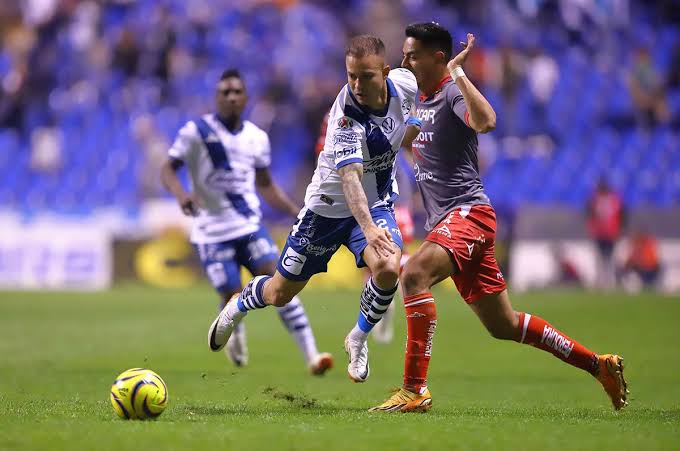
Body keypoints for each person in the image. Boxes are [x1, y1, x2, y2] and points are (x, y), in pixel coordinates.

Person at [370, 23, 628, 413]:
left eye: (412, 54)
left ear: (437, 58)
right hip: (448, 222)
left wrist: (459, 73)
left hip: (468, 214)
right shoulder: (417, 101)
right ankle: (598, 365)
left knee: (414, 275)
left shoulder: (452, 92)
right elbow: (405, 140)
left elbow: (487, 121)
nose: (404, 60)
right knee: (503, 326)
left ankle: (414, 389)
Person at [207, 35, 420, 383]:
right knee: (279, 293)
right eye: (351, 75)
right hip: (327, 210)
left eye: (366, 76)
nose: (357, 84)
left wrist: (414, 131)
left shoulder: (406, 83)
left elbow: (410, 117)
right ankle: (240, 303)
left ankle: (358, 338)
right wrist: (368, 228)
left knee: (386, 268)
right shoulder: (346, 116)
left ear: (385, 72)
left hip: (377, 201)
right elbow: (350, 180)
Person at [161, 69, 333, 375]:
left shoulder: (257, 138)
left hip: (248, 226)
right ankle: (234, 331)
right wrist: (181, 195)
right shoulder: (195, 132)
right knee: (230, 294)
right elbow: (168, 169)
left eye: (236, 92)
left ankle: (312, 355)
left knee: (281, 280)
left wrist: (298, 212)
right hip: (211, 232)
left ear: (245, 98)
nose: (231, 97)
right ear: (216, 97)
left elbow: (266, 184)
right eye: (224, 92)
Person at [587, 178, 625, 290]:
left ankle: (606, 281)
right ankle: (605, 281)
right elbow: (590, 215)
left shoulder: (599, 199)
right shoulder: (612, 199)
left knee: (606, 258)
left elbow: (621, 215)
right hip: (605, 233)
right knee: (604, 258)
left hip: (607, 233)